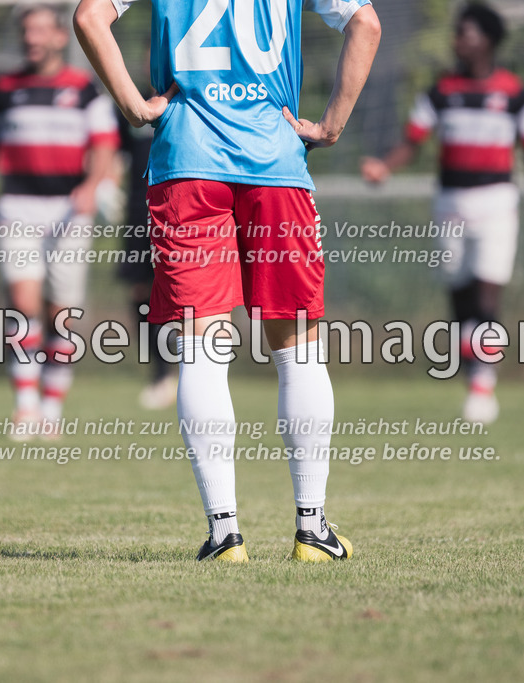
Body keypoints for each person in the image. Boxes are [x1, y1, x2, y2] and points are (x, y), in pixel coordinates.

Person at [73, 0, 380, 562]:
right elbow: (367, 22)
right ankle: (311, 531)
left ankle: (224, 535)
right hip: (275, 166)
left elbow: (90, 16)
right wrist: (332, 124)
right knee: (299, 352)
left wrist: (136, 107)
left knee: (201, 353)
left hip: (187, 164)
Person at [360, 2, 524, 424]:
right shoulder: (440, 92)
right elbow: (411, 142)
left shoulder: (515, 94)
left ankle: (482, 387)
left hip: (497, 203)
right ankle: (476, 373)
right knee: (460, 297)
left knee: (487, 294)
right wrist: (384, 166)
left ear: (487, 39)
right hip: (450, 204)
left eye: (465, 33)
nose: (457, 40)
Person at [0, 3, 119, 435]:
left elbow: (105, 144)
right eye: (25, 31)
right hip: (17, 205)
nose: (31, 39)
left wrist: (91, 186)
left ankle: (51, 411)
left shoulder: (85, 89)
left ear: (58, 37)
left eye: (39, 31)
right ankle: (26, 406)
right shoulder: (1, 89)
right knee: (23, 303)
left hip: (69, 210)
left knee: (62, 314)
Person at [115, 103, 179, 410]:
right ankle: (160, 375)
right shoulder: (131, 102)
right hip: (139, 213)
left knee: (182, 293)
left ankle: (192, 367)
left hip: (183, 211)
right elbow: (113, 150)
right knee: (141, 293)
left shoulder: (192, 96)